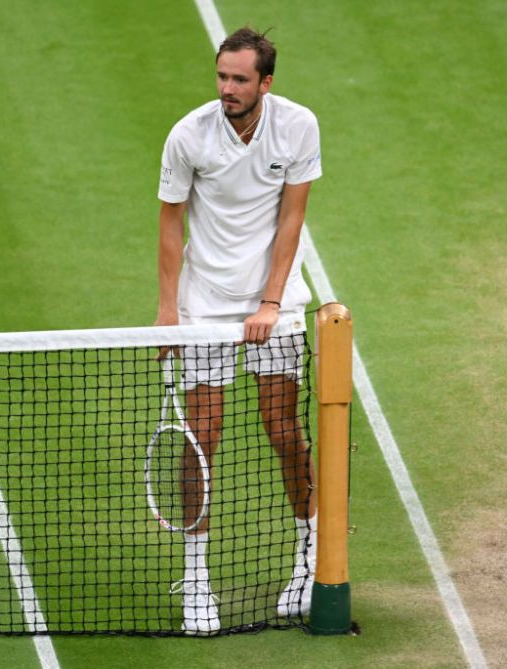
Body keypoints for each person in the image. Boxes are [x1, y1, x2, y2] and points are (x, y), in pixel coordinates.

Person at [156, 27, 321, 634]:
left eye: (240, 79)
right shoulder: (188, 135)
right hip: (204, 305)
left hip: (274, 303)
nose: (227, 88)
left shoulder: (298, 126)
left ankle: (310, 558)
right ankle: (196, 575)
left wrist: (270, 302)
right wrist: (168, 313)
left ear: (265, 83)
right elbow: (170, 224)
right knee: (201, 438)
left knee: (283, 430)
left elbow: (292, 218)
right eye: (222, 76)